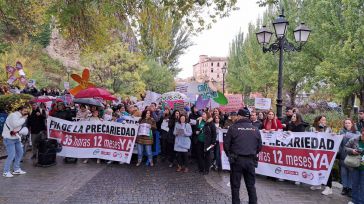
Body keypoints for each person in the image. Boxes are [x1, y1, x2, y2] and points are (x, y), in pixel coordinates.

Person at [224, 109, 262, 204]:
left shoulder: (233, 128)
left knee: (235, 186)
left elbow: (226, 145)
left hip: (237, 160)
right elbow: (260, 146)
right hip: (250, 160)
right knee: (251, 185)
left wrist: (230, 155)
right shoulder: (255, 129)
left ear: (239, 116)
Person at [309, 115, 334, 195]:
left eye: (325, 120)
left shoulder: (328, 129)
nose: (324, 121)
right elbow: (308, 138)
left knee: (327, 168)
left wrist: (333, 135)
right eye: (322, 120)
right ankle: (317, 184)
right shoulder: (312, 128)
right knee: (316, 167)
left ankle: (329, 187)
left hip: (326, 153)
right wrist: (314, 134)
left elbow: (331, 139)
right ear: (318, 121)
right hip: (316, 152)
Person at [2, 106, 29, 177]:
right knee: (12, 155)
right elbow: (15, 124)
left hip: (16, 138)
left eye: (26, 111)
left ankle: (16, 169)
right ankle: (6, 171)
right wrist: (23, 119)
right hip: (9, 138)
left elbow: (17, 127)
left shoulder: (20, 117)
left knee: (20, 153)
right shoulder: (13, 115)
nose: (26, 112)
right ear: (20, 110)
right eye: (24, 111)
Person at [338, 119, 360, 197]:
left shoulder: (357, 133)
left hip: (352, 156)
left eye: (349, 123)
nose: (347, 124)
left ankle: (350, 188)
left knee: (351, 173)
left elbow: (357, 140)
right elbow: (339, 143)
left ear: (352, 124)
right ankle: (345, 187)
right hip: (343, 156)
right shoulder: (341, 132)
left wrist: (347, 135)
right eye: (346, 123)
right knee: (343, 173)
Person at [345, 128, 364, 204]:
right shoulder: (355, 139)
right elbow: (345, 148)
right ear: (362, 131)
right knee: (355, 183)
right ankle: (354, 200)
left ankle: (361, 201)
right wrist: (352, 151)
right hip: (355, 165)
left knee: (362, 185)